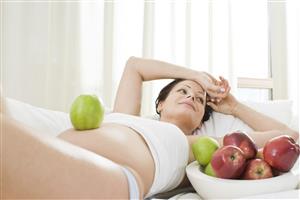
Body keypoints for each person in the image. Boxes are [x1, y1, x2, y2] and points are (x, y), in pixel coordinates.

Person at [2, 57, 298, 199]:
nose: (192, 98)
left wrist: (233, 107)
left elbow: (290, 138)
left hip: (107, 180)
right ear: (160, 104)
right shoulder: (125, 115)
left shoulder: (202, 145)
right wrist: (195, 75)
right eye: (183, 92)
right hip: (57, 151)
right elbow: (134, 66)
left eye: (199, 100)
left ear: (200, 121)